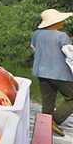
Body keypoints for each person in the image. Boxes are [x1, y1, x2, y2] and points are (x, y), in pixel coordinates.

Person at [30, 8, 73, 136]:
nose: (63, 22)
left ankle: (45, 125)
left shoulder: (36, 34)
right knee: (71, 98)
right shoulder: (62, 36)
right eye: (61, 20)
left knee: (48, 101)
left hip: (41, 71)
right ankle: (54, 121)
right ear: (55, 23)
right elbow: (70, 55)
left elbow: (34, 48)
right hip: (60, 73)